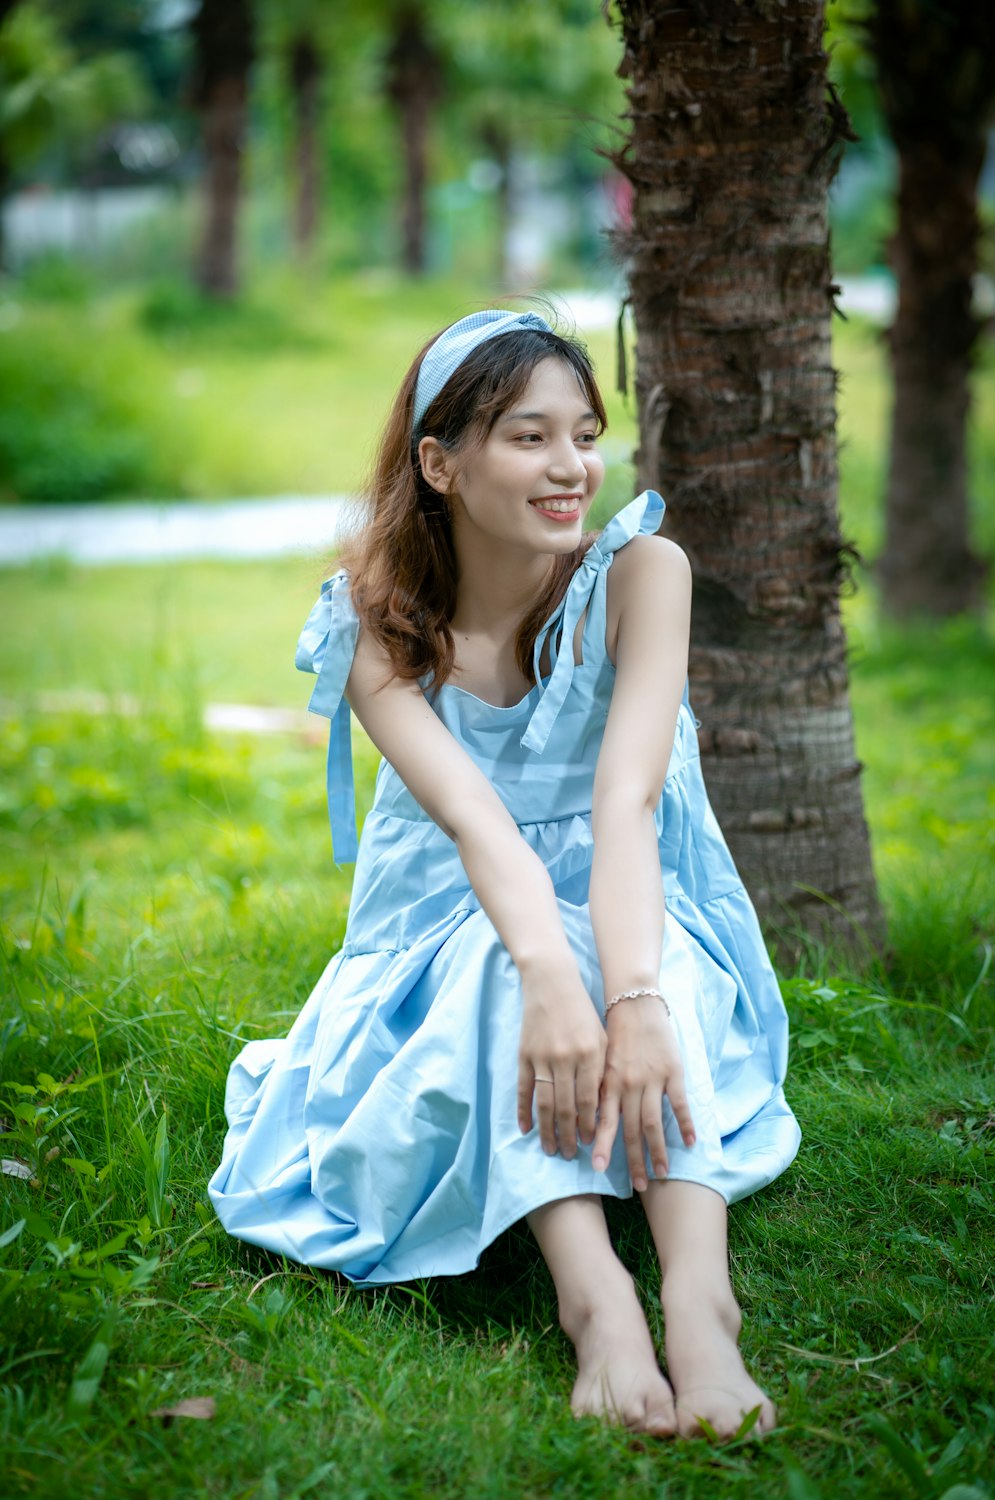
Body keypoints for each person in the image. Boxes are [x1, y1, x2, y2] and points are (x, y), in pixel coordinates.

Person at [209, 308, 801, 1439]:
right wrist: (543, 974)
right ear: (439, 462)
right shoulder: (378, 621)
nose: (573, 467)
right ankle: (598, 1306)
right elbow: (479, 832)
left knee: (648, 965)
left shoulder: (642, 574)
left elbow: (624, 807)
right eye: (529, 438)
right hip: (449, 926)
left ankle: (699, 1305)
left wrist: (626, 998)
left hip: (633, 900)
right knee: (501, 959)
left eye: (584, 433)